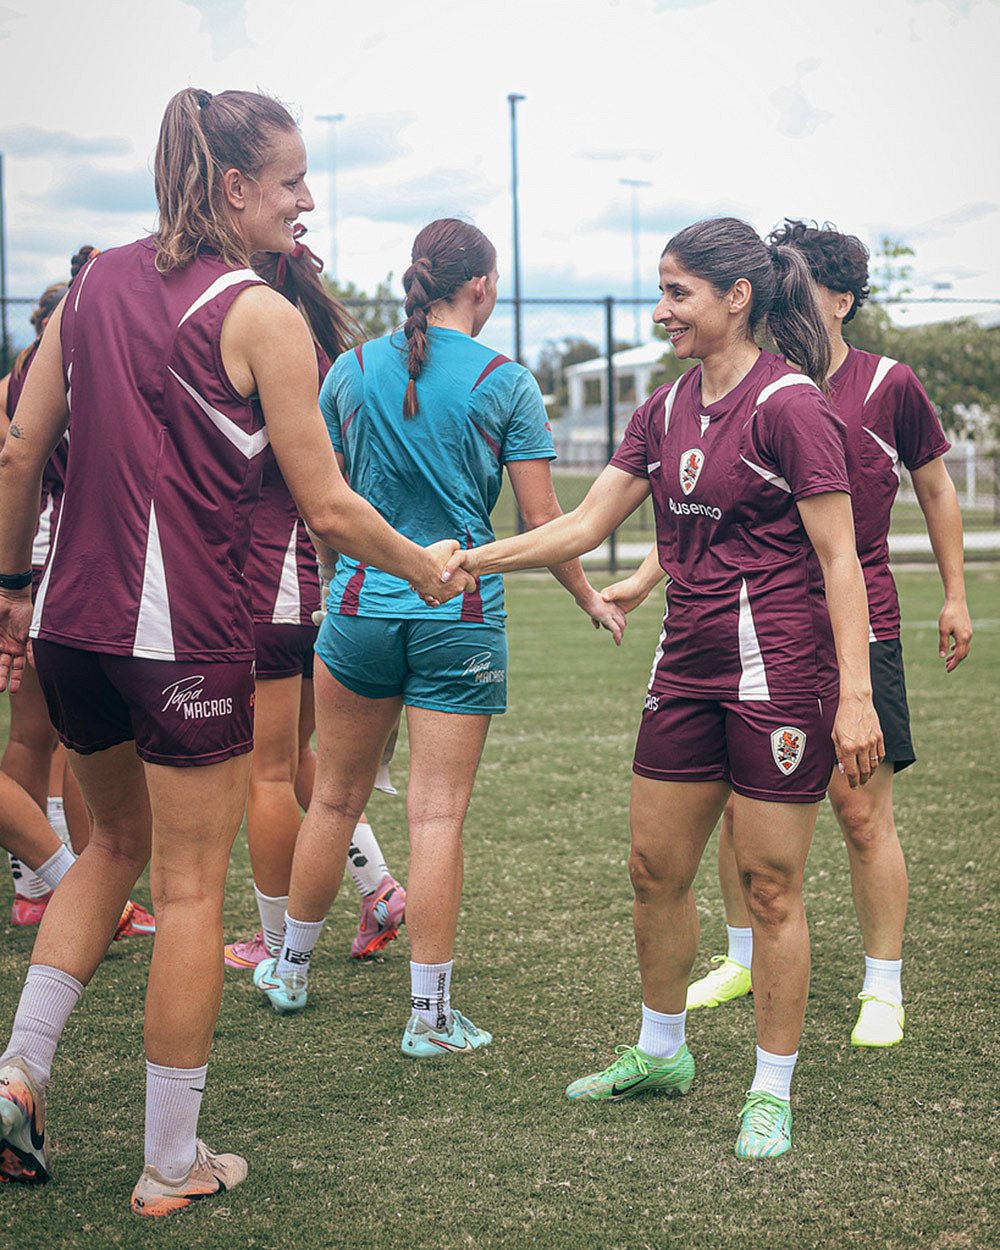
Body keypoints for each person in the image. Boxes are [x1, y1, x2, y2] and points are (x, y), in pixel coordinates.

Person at [0, 87, 471, 1216]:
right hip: (180, 646)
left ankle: (17, 1073)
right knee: (189, 890)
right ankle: (172, 1163)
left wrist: (11, 588)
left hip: (70, 626)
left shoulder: (91, 282)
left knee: (105, 846)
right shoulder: (263, 314)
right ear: (232, 188)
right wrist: (422, 564)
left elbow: (19, 452)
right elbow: (330, 506)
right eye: (293, 178)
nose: (308, 199)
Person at [442, 216, 882, 1157]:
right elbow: (583, 524)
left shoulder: (793, 406)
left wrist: (856, 694)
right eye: (661, 289)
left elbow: (840, 561)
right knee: (654, 872)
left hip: (780, 678)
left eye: (678, 292)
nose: (662, 310)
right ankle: (662, 1052)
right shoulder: (665, 410)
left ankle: (771, 1088)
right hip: (683, 670)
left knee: (770, 888)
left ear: (738, 298)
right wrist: (474, 559)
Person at [253, 217, 626, 1057]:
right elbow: (545, 524)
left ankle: (288, 969)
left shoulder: (347, 370)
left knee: (335, 800)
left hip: (353, 610)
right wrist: (589, 599)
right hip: (458, 617)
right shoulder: (506, 381)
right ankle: (428, 1019)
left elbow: (326, 508)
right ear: (484, 287)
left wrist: (333, 593)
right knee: (436, 815)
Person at [668, 221, 971, 1044]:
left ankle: (883, 984)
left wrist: (955, 594)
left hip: (857, 620)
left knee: (861, 810)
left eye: (802, 288)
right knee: (741, 807)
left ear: (842, 300)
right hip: (757, 628)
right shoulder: (753, 384)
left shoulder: (889, 386)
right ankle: (739, 956)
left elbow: (938, 492)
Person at [224, 231, 405, 973]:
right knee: (299, 759)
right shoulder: (324, 353)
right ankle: (379, 887)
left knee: (264, 770)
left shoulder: (255, 341)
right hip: (317, 579)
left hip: (275, 571)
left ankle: (274, 941)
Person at [0, 271, 153, 936]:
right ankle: (71, 883)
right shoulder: (82, 375)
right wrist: (14, 585)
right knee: (69, 744)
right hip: (48, 568)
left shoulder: (22, 377)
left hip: (39, 570)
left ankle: (42, 885)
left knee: (38, 739)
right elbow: (17, 468)